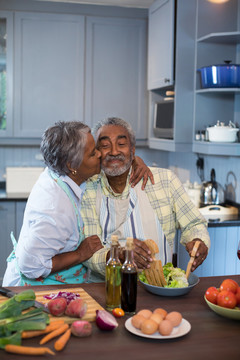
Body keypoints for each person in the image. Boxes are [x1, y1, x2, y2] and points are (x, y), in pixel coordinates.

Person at [3, 121, 152, 286]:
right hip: (35, 292)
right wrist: (81, 254)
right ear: (72, 165)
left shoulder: (61, 170)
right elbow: (30, 266)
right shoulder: (55, 210)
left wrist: (134, 159)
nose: (100, 155)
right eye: (92, 154)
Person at [80, 117, 210, 278]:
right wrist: (118, 255)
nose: (114, 152)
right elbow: (89, 254)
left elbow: (194, 223)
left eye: (121, 144)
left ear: (133, 150)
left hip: (160, 287)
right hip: (108, 288)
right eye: (105, 145)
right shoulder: (88, 190)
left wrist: (197, 240)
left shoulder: (165, 180)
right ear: (97, 152)